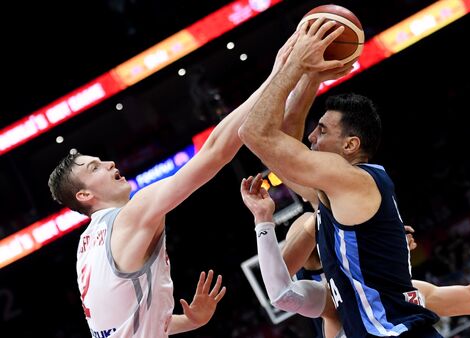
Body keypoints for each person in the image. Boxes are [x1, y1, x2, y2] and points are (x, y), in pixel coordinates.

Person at [46, 26, 344, 337]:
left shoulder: (86, 245)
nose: (109, 164)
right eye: (94, 168)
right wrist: (280, 74)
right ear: (84, 194)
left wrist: (190, 322)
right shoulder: (130, 217)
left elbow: (124, 327)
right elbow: (214, 153)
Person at [238, 17, 442, 337]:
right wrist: (313, 77)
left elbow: (255, 133)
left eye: (322, 131)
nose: (311, 139)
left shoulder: (349, 180)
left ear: (350, 145)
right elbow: (280, 143)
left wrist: (295, 65)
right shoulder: (333, 192)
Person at [240, 175, 470, 337]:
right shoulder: (337, 298)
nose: (405, 239)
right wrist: (264, 221)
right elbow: (280, 292)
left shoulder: (410, 295)